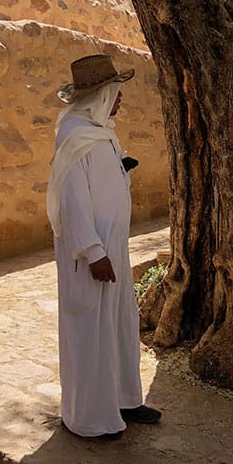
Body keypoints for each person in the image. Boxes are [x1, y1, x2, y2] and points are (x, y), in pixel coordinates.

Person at [46, 54, 161, 440]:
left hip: (114, 243)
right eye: (116, 92)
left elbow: (100, 179)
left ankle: (125, 400)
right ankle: (90, 418)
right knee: (90, 330)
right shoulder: (74, 135)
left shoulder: (100, 131)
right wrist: (93, 252)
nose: (121, 99)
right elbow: (73, 198)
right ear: (99, 95)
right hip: (92, 251)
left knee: (118, 323)